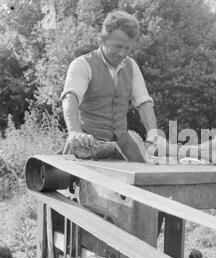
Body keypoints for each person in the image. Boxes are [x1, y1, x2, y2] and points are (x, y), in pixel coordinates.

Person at [60, 10, 165, 158]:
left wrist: (154, 135)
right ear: (103, 39)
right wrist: (75, 132)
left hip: (122, 144)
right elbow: (70, 98)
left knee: (144, 174)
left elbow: (144, 103)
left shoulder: (131, 65)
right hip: (88, 143)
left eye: (127, 48)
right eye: (118, 46)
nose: (122, 53)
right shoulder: (82, 64)